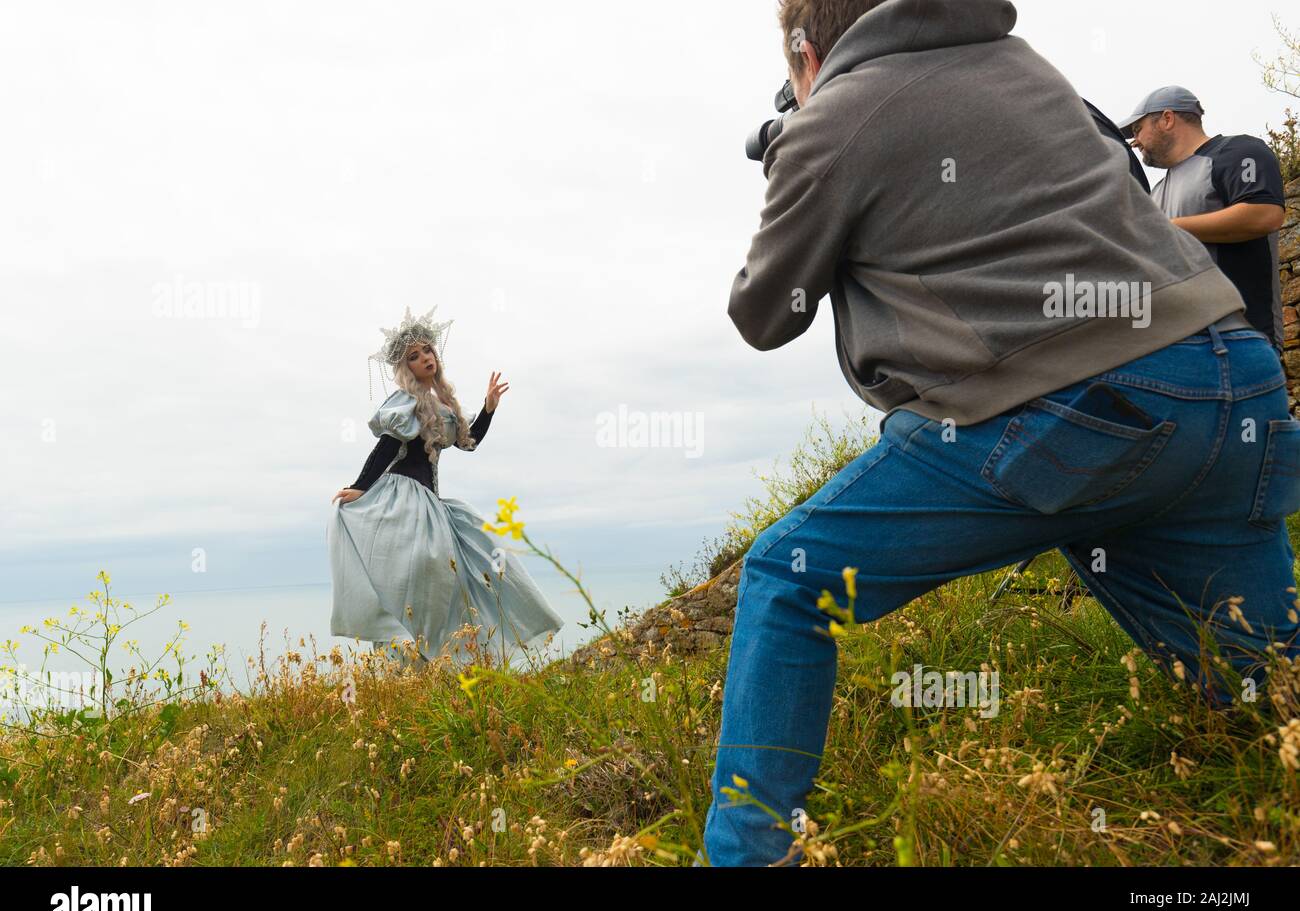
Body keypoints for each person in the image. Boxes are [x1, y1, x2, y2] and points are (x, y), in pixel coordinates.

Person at [701, 0, 1300, 867]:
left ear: (804, 48)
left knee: (786, 580)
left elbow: (763, 312)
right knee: (1264, 693)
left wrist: (795, 157)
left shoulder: (829, 118)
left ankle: (747, 859)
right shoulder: (1026, 67)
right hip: (1233, 382)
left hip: (1072, 417)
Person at [327, 307, 564, 670]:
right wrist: (361, 487)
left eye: (427, 351)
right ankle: (409, 651)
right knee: (425, 564)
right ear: (406, 367)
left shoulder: (444, 407)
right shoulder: (406, 402)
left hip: (432, 503)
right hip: (402, 496)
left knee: (472, 559)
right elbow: (387, 448)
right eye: (414, 356)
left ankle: (451, 653)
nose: (425, 358)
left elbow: (469, 442)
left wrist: (488, 408)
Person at [1120, 86, 1287, 353]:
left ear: (1167, 119)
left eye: (1138, 129)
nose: (1134, 141)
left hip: (1241, 342)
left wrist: (1169, 229)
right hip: (1177, 349)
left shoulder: (1237, 151)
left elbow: (1264, 215)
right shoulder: (1156, 193)